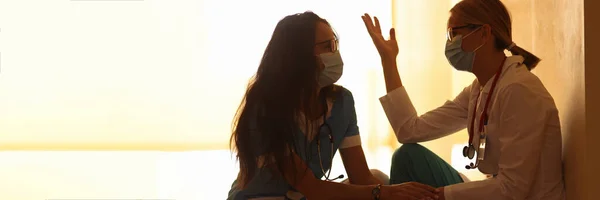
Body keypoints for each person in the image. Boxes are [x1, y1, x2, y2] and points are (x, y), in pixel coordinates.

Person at [361, 0, 566, 199]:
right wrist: (388, 61)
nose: (449, 44)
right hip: (499, 191)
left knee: (405, 169)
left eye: (454, 34)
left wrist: (444, 195)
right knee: (403, 160)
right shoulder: (478, 90)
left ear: (484, 33)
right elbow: (409, 130)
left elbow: (513, 189)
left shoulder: (518, 90)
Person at [227, 11, 439, 200]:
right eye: (327, 46)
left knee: (379, 177)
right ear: (298, 55)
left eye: (335, 44)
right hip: (261, 197)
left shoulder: (341, 102)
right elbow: (312, 188)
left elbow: (361, 176)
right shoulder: (265, 109)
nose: (335, 53)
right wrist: (384, 193)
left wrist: (405, 193)